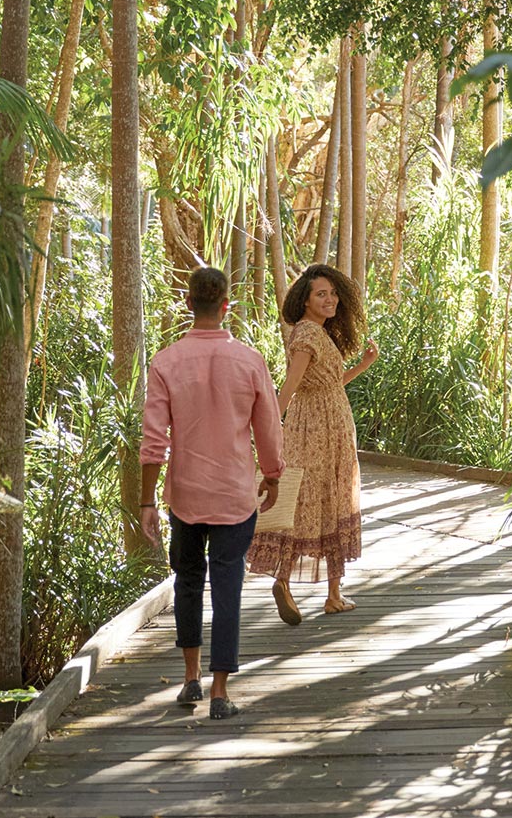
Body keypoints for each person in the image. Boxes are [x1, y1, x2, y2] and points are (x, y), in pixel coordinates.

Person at [139, 266, 283, 720]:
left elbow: (153, 439)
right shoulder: (250, 360)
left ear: (188, 304)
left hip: (185, 495)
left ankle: (189, 679)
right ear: (226, 307)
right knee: (227, 586)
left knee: (186, 582)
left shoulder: (165, 362)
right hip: (235, 495)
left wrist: (147, 501)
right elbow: (268, 428)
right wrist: (272, 474)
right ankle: (220, 692)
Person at [246, 264, 379, 624]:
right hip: (315, 430)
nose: (330, 299)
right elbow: (289, 388)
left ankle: (332, 593)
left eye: (333, 293)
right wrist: (268, 431)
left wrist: (363, 365)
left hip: (331, 424)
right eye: (322, 294)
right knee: (308, 499)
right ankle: (290, 581)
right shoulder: (306, 334)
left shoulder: (319, 333)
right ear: (305, 299)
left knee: (326, 498)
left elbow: (330, 383)